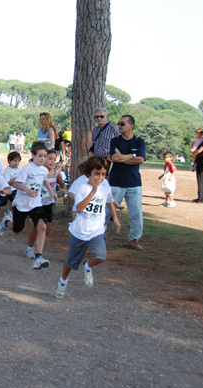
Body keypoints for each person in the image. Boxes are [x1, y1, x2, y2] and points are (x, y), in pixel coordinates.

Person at [54, 156, 121, 299]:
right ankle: (62, 281)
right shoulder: (83, 187)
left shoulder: (106, 186)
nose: (100, 177)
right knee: (71, 262)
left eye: (103, 174)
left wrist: (115, 218)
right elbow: (79, 208)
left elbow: (108, 200)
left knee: (100, 256)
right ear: (88, 174)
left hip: (96, 230)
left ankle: (87, 266)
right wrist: (93, 192)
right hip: (80, 231)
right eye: (97, 174)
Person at [0, 141, 56, 269]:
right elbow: (16, 184)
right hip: (22, 204)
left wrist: (52, 193)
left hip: (36, 203)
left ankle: (38, 257)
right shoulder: (28, 168)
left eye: (44, 156)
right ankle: (7, 222)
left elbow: (44, 180)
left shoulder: (44, 170)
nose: (42, 159)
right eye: (40, 156)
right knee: (17, 230)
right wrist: (27, 190)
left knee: (42, 227)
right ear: (33, 155)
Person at [108, 115, 146, 250]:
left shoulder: (139, 141)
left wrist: (122, 157)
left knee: (136, 213)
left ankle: (134, 239)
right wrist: (133, 156)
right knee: (107, 211)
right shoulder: (115, 141)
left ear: (131, 126)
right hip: (116, 181)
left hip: (134, 183)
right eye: (119, 123)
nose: (119, 126)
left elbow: (141, 160)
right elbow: (114, 157)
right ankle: (98, 236)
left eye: (122, 124)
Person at [0, 151, 21, 221]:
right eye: (14, 161)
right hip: (6, 190)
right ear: (9, 161)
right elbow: (7, 183)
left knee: (17, 200)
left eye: (18, 161)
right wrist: (15, 179)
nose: (17, 163)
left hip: (14, 189)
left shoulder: (19, 168)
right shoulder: (7, 170)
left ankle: (8, 211)